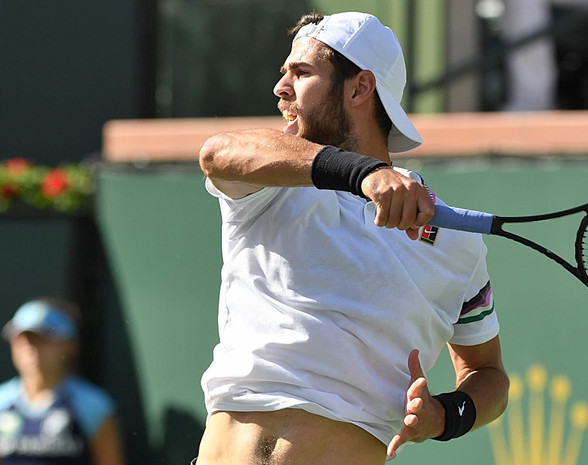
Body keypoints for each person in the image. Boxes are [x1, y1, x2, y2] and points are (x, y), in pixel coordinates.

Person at [195, 11, 509, 465]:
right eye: (285, 72)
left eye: (302, 73)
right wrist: (365, 173)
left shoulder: (457, 245)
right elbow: (217, 152)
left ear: (360, 88)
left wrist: (443, 416)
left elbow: (488, 373)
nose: (280, 88)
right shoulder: (270, 183)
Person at [0, 298, 125, 465]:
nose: (32, 347)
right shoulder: (2, 402)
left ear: (70, 345)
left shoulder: (93, 405)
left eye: (43, 338)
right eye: (24, 339)